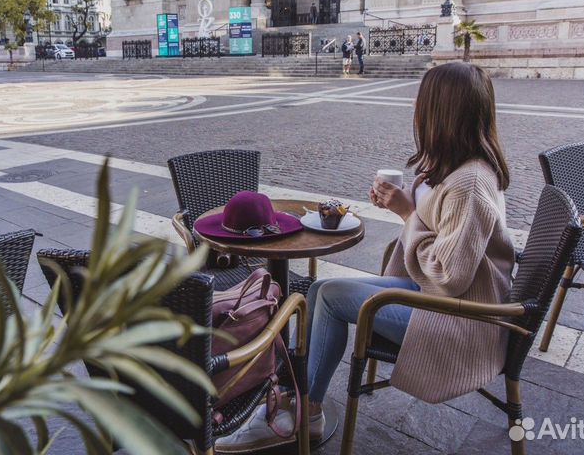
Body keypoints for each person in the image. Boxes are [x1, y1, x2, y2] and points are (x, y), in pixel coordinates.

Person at [215, 62, 515, 450]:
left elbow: (449, 275)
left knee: (334, 297)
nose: (414, 110)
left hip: (460, 320)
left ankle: (302, 412)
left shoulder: (470, 183)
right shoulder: (454, 170)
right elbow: (442, 234)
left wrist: (408, 212)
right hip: (436, 300)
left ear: (440, 112)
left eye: (421, 102)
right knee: (322, 288)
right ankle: (304, 404)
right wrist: (409, 203)